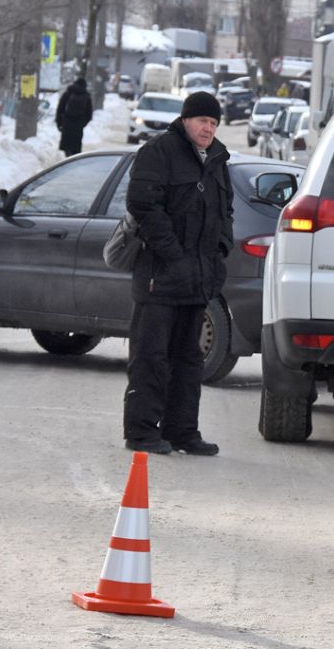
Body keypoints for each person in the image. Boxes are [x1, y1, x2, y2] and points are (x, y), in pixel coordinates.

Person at [122, 91, 233, 457]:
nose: (208, 128)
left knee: (189, 360)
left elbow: (225, 213)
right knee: (151, 357)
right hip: (160, 278)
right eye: (202, 120)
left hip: (198, 281)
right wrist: (173, 256)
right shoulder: (158, 152)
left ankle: (183, 431)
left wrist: (219, 252)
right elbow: (143, 205)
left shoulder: (218, 160)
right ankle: (141, 432)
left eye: (214, 123)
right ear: (186, 120)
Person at [56, 77, 94, 157]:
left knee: (67, 146)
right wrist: (82, 124)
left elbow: (60, 109)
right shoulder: (86, 96)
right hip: (78, 126)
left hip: (67, 124)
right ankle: (73, 161)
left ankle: (68, 158)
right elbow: (89, 114)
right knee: (76, 148)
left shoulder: (68, 93)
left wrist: (59, 123)